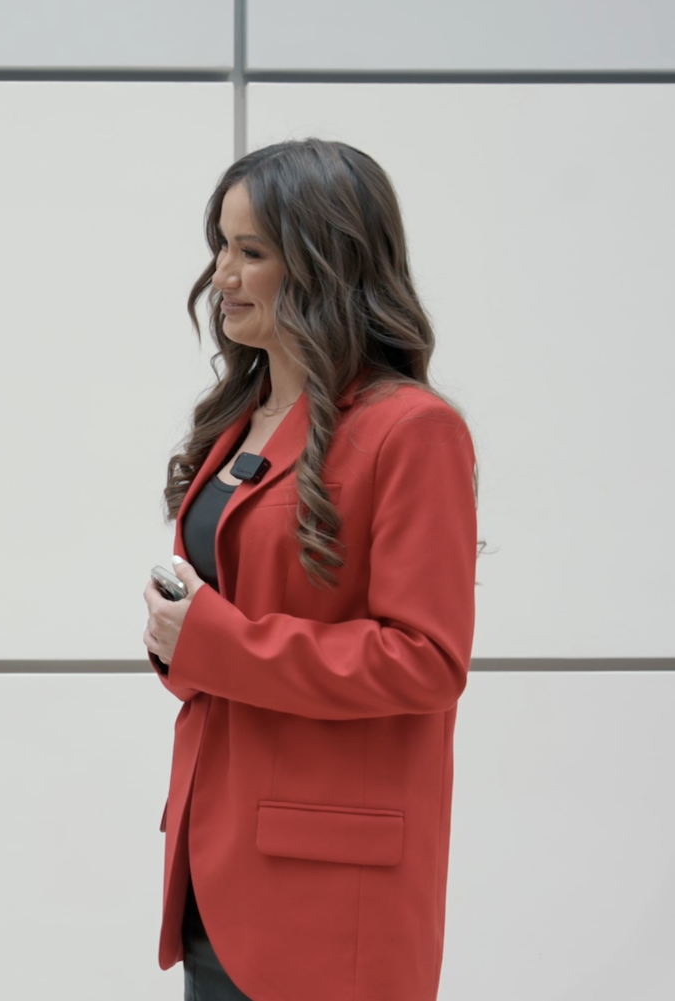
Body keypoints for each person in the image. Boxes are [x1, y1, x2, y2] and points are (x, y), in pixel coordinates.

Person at [141, 139, 477, 1001]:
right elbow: (227, 627)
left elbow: (426, 660)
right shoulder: (241, 420)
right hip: (217, 861)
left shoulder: (411, 429)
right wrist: (178, 640)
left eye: (251, 252)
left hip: (326, 887)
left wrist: (213, 639)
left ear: (328, 265)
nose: (222, 275)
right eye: (221, 246)